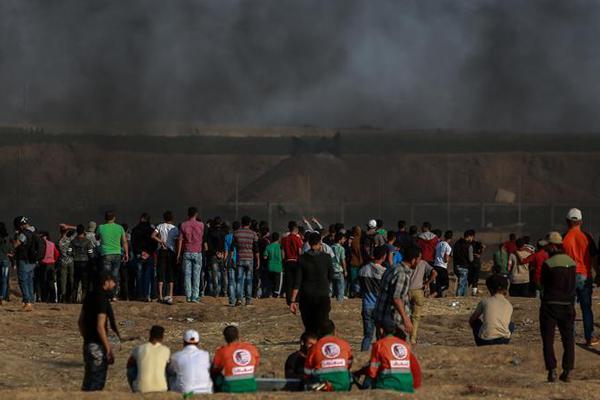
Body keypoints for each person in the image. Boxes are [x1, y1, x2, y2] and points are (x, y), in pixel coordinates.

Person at [539, 231, 577, 383]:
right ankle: (567, 371)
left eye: (547, 247)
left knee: (548, 339)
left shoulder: (548, 264)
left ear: (554, 246)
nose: (545, 250)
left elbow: (542, 285)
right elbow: (573, 286)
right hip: (568, 305)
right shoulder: (572, 263)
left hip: (550, 305)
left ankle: (552, 371)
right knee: (568, 339)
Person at [562, 208, 599, 347]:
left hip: (569, 276)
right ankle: (589, 337)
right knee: (586, 308)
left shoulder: (564, 237)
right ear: (581, 221)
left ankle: (569, 338)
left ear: (567, 222)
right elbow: (594, 258)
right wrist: (598, 274)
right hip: (584, 275)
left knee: (569, 308)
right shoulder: (587, 237)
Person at [78, 272, 119, 391]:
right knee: (97, 383)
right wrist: (108, 349)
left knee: (88, 381)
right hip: (97, 346)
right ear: (106, 282)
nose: (114, 285)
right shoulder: (102, 298)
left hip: (88, 344)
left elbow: (80, 322)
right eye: (112, 282)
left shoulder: (89, 296)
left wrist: (87, 337)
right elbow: (100, 326)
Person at [290, 232, 334, 336]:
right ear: (320, 243)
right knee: (322, 322)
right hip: (322, 295)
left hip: (306, 296)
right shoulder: (326, 258)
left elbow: (297, 281)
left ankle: (310, 343)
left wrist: (293, 300)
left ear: (308, 243)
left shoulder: (302, 259)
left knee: (309, 326)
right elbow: (331, 276)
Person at [359, 322, 422, 393]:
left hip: (387, 385)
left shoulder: (380, 344)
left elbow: (372, 371)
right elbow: (416, 371)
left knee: (369, 378)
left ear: (381, 330)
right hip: (407, 387)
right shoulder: (405, 346)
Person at [374, 246, 420, 338]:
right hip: (393, 321)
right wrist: (406, 319)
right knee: (398, 349)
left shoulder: (392, 268)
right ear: (413, 260)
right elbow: (397, 298)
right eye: (419, 259)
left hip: (382, 316)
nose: (419, 262)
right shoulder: (402, 274)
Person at [304, 320, 353, 392]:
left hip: (324, 385)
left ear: (319, 333)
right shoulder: (345, 344)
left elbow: (307, 372)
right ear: (334, 331)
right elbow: (349, 364)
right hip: (344, 385)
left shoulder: (314, 348)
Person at [211, 325, 260, 393]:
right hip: (251, 386)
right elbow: (255, 366)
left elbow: (215, 369)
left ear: (225, 338)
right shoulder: (251, 348)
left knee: (214, 374)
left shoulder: (223, 351)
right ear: (238, 336)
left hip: (230, 388)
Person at [469, 274, 515, 346]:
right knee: (511, 324)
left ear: (490, 289)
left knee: (476, 322)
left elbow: (472, 320)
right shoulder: (509, 305)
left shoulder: (485, 301)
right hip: (503, 340)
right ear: (505, 289)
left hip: (485, 341)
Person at [358, 245, 387, 351]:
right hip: (380, 306)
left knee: (368, 335)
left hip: (367, 305)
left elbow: (358, 288)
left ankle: (363, 354)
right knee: (381, 334)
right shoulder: (385, 271)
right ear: (383, 256)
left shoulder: (363, 269)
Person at [127, 325, 171, 393]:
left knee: (132, 368)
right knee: (167, 367)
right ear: (162, 337)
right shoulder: (166, 350)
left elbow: (129, 365)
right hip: (162, 388)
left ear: (150, 334)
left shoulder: (139, 349)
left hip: (141, 389)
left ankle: (136, 388)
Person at [96, 211, 129, 300]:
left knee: (106, 276)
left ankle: (106, 295)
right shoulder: (120, 228)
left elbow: (97, 237)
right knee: (115, 275)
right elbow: (124, 241)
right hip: (117, 253)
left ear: (105, 218)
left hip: (106, 253)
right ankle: (113, 295)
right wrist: (126, 253)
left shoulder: (101, 227)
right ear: (114, 218)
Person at [169, 329, 213, 394]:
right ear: (198, 342)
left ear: (184, 341)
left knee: (171, 376)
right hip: (205, 391)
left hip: (184, 392)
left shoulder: (176, 356)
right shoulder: (205, 355)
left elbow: (171, 371)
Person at [177, 207, 204, 303]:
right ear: (196, 214)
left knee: (187, 275)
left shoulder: (183, 225)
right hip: (197, 251)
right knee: (196, 275)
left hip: (187, 251)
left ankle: (188, 296)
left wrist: (178, 254)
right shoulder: (201, 225)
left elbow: (180, 240)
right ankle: (195, 296)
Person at [152, 210, 179, 305]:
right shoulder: (175, 228)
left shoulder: (160, 226)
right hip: (171, 252)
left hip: (162, 251)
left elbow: (153, 235)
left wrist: (160, 241)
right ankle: (170, 295)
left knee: (161, 273)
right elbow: (177, 240)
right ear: (172, 218)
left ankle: (160, 296)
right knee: (170, 273)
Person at [409, 259, 437, 345]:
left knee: (405, 315)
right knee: (416, 317)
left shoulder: (407, 262)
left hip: (406, 290)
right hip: (418, 291)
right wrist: (427, 283)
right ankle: (412, 339)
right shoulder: (423, 263)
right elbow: (435, 273)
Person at [131, 213, 158, 302]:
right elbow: (155, 244)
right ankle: (148, 294)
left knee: (139, 275)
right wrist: (148, 253)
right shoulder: (151, 230)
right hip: (149, 255)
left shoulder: (135, 230)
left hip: (139, 254)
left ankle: (140, 295)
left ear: (141, 219)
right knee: (148, 276)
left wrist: (140, 252)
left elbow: (133, 244)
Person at [233, 216, 259, 306]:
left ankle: (239, 299)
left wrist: (233, 257)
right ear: (250, 223)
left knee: (239, 280)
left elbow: (233, 247)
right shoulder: (253, 234)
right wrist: (258, 260)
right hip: (249, 259)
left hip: (240, 258)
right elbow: (256, 249)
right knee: (249, 280)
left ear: (241, 223)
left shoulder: (236, 233)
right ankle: (248, 300)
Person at [281, 221, 304, 305]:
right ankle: (296, 299)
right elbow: (299, 251)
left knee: (288, 282)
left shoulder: (284, 239)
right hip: (296, 261)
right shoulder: (297, 238)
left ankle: (288, 300)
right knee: (296, 281)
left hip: (287, 262)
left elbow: (283, 252)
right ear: (296, 229)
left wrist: (283, 261)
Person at [203, 216, 227, 298]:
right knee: (224, 274)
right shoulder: (223, 233)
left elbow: (209, 245)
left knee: (215, 274)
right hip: (222, 254)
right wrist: (222, 253)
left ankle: (216, 292)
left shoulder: (211, 232)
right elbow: (224, 245)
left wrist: (216, 252)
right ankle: (224, 291)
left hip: (213, 255)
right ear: (220, 223)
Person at [71, 224, 95, 303]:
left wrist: (74, 255)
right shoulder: (87, 242)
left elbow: (68, 252)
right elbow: (91, 254)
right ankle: (83, 299)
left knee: (75, 282)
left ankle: (74, 299)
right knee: (85, 283)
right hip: (85, 264)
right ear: (84, 231)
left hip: (76, 263)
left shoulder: (73, 241)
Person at [453, 230, 474, 297]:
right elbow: (471, 259)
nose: (472, 239)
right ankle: (458, 298)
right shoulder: (469, 246)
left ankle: (464, 298)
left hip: (456, 266)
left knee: (464, 283)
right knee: (462, 284)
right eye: (472, 237)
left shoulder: (457, 243)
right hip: (464, 266)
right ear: (470, 236)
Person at [40, 231, 59, 303]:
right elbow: (57, 253)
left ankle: (45, 298)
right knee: (51, 281)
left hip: (44, 264)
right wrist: (54, 260)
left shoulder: (42, 244)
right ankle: (53, 298)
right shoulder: (52, 244)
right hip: (52, 263)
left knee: (44, 282)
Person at [57, 227, 75, 303]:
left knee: (63, 280)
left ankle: (63, 296)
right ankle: (70, 296)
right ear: (66, 232)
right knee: (71, 279)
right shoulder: (70, 239)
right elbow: (78, 230)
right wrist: (69, 227)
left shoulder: (59, 241)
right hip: (70, 261)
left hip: (63, 261)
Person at [432, 230, 452, 298]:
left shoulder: (439, 243)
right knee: (446, 285)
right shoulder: (448, 247)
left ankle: (438, 296)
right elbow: (446, 259)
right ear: (450, 238)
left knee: (438, 283)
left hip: (436, 265)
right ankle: (434, 294)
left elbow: (434, 254)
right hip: (442, 267)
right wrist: (448, 259)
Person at [264, 232, 284, 298]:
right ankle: (276, 294)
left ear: (272, 238)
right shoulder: (280, 246)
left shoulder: (268, 246)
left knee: (271, 281)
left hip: (270, 267)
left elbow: (265, 257)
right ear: (278, 238)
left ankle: (270, 293)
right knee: (278, 283)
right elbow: (283, 256)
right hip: (278, 267)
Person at [330, 232, 347, 303]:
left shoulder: (331, 247)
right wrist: (345, 270)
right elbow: (342, 260)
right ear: (340, 240)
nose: (344, 240)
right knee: (340, 288)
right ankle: (340, 302)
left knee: (331, 288)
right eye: (343, 239)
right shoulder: (341, 248)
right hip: (339, 270)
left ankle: (329, 300)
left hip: (331, 270)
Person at [0, 222, 14, 304]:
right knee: (5, 279)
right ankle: (3, 297)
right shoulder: (8, 238)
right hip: (5, 261)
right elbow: (12, 251)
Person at [348, 225, 363, 298]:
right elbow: (358, 252)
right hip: (357, 263)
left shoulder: (354, 240)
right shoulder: (357, 240)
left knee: (354, 280)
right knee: (356, 280)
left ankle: (354, 293)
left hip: (353, 263)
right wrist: (361, 260)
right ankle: (356, 293)